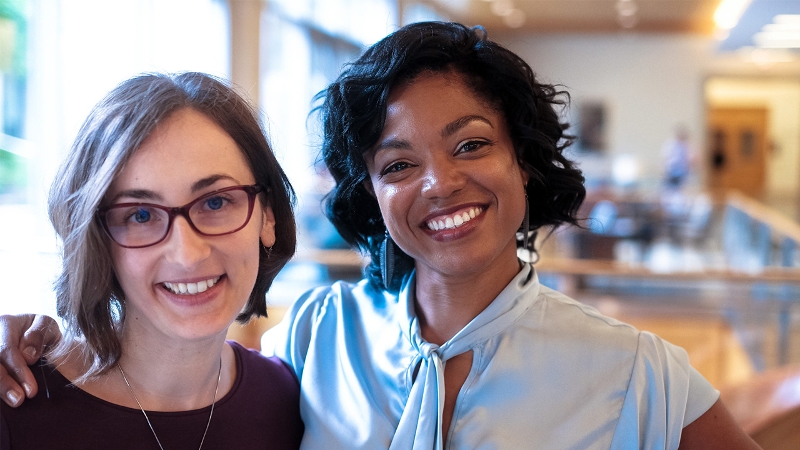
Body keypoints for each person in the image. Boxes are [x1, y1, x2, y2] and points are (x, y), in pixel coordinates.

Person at [0, 22, 759, 450]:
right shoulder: (314, 341)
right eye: (399, 163)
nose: (438, 183)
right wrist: (38, 333)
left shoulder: (638, 374)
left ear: (523, 160)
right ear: (370, 191)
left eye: (469, 145)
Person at [0, 72, 303, 449]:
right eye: (140, 215)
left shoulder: (287, 400)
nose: (188, 254)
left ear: (268, 216)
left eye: (216, 202)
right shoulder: (14, 407)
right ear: (97, 238)